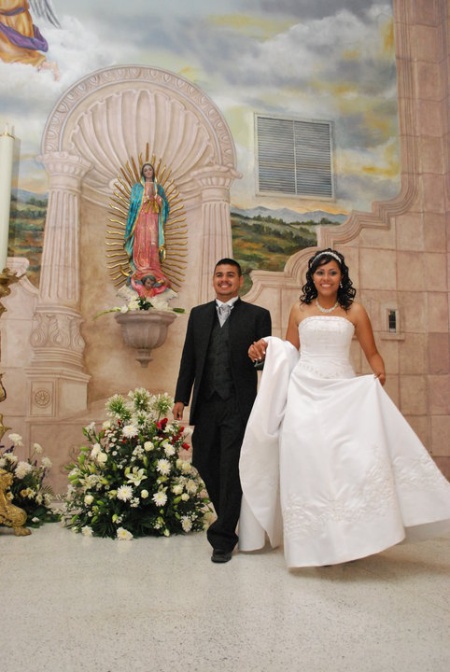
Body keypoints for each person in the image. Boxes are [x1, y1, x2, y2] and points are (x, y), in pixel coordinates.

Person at [239, 248, 450, 569]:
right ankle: (314, 542)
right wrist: (267, 349)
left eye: (332, 272)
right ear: (311, 276)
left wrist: (379, 372)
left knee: (347, 464)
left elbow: (372, 352)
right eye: (320, 272)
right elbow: (290, 351)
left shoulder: (355, 311)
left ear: (341, 277)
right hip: (305, 394)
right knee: (308, 462)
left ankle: (354, 537)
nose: (326, 278)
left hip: (343, 395)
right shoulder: (299, 309)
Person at [172, 259, 272, 563]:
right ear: (213, 280)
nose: (224, 279)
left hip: (239, 404)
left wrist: (260, 357)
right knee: (203, 460)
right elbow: (188, 357)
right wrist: (181, 398)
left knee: (231, 467)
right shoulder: (198, 315)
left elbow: (265, 364)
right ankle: (228, 516)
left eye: (230, 275)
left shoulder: (258, 315)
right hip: (206, 402)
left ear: (240, 281)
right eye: (219, 275)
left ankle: (223, 537)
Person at [124, 163, 171, 298]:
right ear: (142, 172)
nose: (148, 171)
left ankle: (153, 267)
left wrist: (158, 200)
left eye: (150, 169)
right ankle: (141, 267)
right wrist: (144, 198)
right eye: (146, 170)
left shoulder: (159, 188)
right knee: (141, 242)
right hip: (141, 219)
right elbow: (133, 204)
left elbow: (166, 207)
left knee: (152, 242)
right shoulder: (137, 188)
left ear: (153, 171)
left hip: (153, 219)